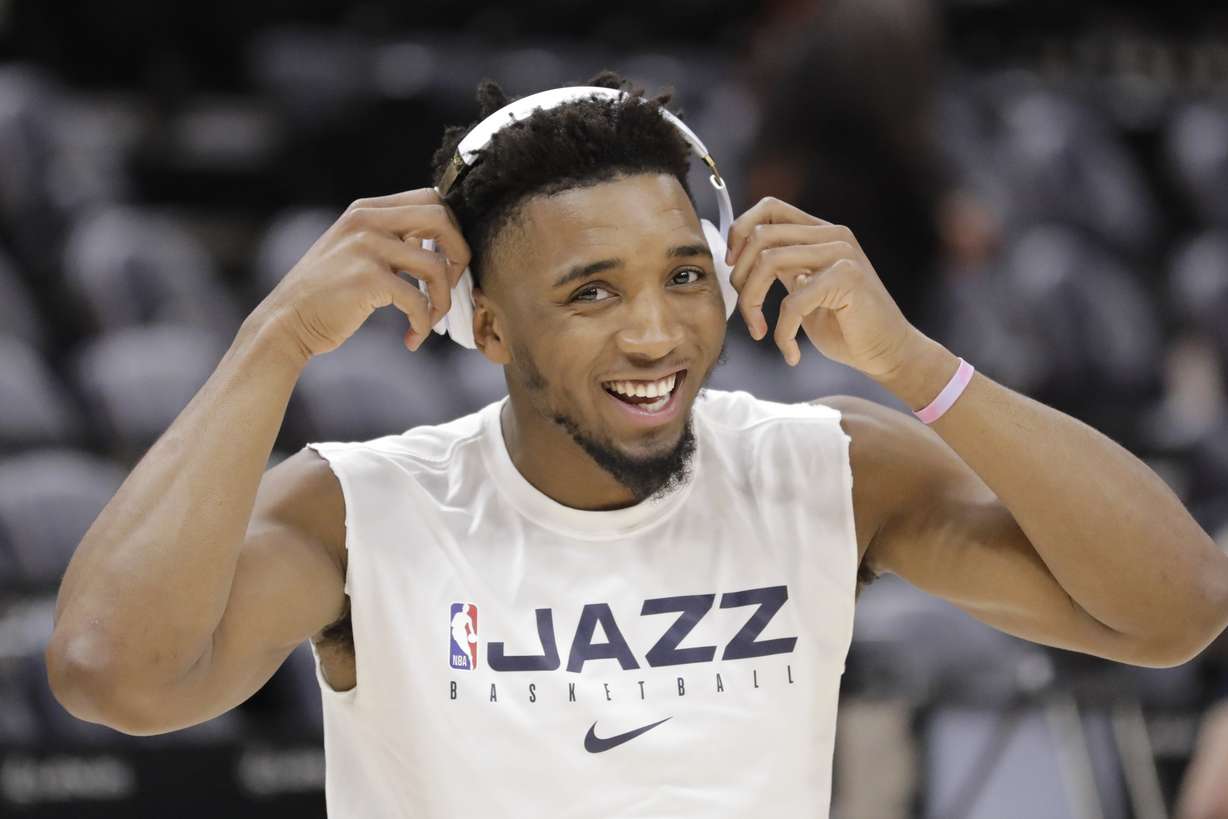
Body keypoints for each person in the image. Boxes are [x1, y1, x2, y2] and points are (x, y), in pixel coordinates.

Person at [45, 71, 1228, 818]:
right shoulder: (362, 510)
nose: (656, 330)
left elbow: (1174, 610)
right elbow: (112, 673)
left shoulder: (824, 466)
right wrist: (272, 341)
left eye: (679, 276)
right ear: (489, 325)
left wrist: (918, 367)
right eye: (592, 293)